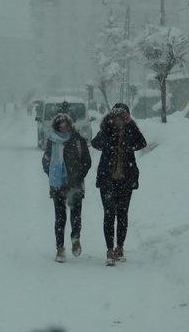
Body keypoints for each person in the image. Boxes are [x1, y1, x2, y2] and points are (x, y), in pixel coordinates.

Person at [91, 103, 147, 266]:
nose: (119, 120)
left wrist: (131, 124)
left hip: (126, 179)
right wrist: (107, 126)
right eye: (117, 116)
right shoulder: (107, 130)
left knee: (122, 215)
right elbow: (96, 143)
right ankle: (109, 250)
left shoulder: (130, 130)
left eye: (123, 116)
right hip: (107, 180)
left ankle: (120, 247)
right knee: (109, 215)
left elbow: (142, 143)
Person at [42, 113, 92, 263]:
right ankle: (60, 248)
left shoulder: (77, 140)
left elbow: (86, 161)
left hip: (75, 184)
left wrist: (78, 175)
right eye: (60, 124)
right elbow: (46, 160)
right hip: (57, 185)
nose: (63, 127)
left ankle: (75, 239)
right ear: (56, 126)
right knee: (60, 217)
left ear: (69, 125)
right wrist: (53, 175)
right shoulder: (52, 141)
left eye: (65, 124)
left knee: (76, 215)